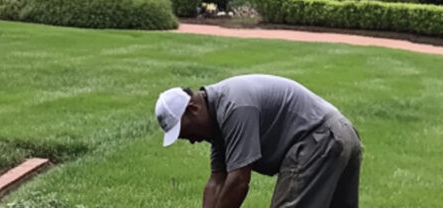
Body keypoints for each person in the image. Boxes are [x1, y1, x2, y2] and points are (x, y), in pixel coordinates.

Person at [154, 74, 362, 208]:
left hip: (319, 140)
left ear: (193, 109)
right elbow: (216, 181)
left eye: (186, 132)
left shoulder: (235, 107)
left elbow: (238, 182)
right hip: (342, 135)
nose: (191, 141)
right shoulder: (217, 116)